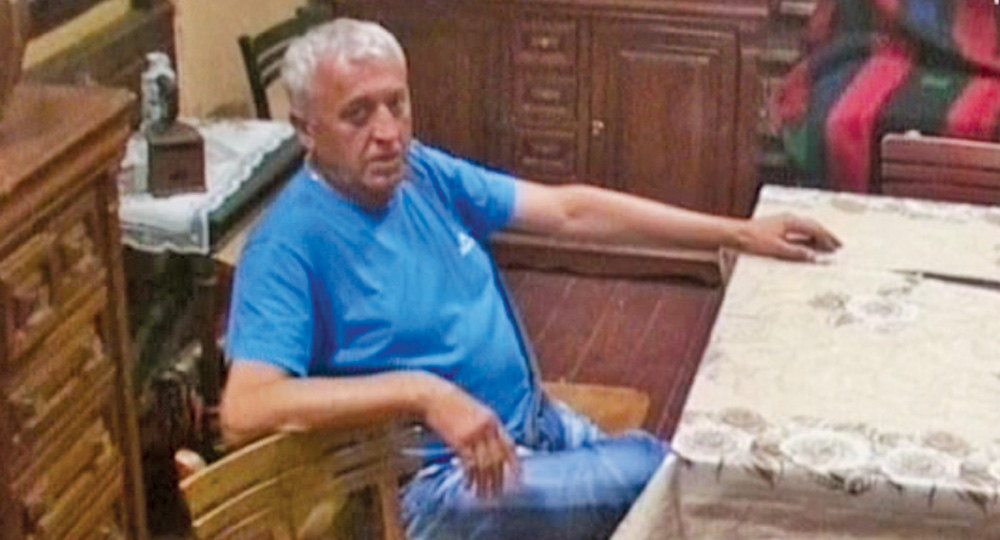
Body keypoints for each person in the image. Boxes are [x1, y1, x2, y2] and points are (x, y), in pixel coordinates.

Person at [219, 18, 841, 540]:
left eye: (397, 104)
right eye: (357, 115)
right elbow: (245, 409)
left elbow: (570, 210)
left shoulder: (418, 173)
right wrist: (423, 392)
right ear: (305, 129)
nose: (388, 133)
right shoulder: (289, 243)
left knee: (698, 477)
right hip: (434, 484)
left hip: (530, 425)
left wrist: (739, 233)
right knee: (666, 479)